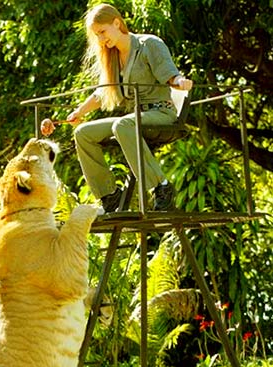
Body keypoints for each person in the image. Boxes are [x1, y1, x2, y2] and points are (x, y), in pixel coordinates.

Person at [41, 3, 193, 212]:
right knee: (83, 133)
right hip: (135, 118)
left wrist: (179, 81)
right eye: (97, 35)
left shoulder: (149, 44)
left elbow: (169, 74)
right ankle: (110, 196)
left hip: (161, 112)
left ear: (117, 22)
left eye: (103, 32)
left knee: (122, 125)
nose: (101, 40)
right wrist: (78, 112)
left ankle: (161, 187)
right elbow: (103, 93)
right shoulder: (112, 57)